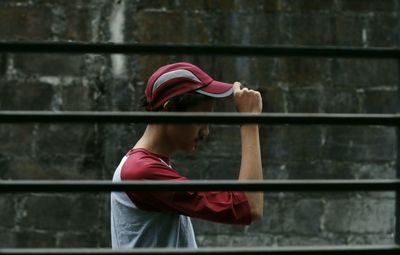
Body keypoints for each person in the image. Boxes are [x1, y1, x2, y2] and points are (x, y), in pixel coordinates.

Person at [111, 62, 263, 248]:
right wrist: (250, 122)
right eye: (201, 120)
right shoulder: (142, 172)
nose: (206, 132)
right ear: (170, 111)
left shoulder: (146, 165)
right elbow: (249, 206)